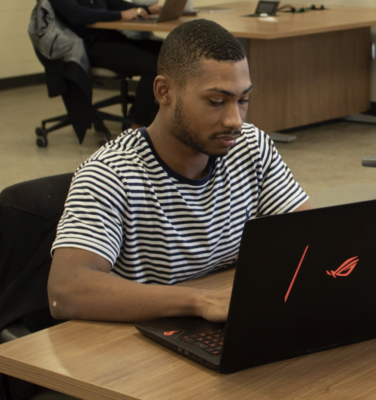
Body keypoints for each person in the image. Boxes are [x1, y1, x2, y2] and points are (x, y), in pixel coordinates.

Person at [48, 19, 313, 324]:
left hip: (224, 323)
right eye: (216, 101)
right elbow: (66, 290)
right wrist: (199, 301)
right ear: (164, 91)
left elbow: (307, 236)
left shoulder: (249, 145)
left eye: (242, 100)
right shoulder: (111, 175)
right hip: (138, 343)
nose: (235, 120)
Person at [49, 0, 164, 129]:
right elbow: (77, 14)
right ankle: (136, 126)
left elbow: (115, 4)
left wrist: (146, 9)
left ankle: (155, 111)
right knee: (152, 65)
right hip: (89, 47)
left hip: (112, 38)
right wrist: (120, 15)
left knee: (166, 51)